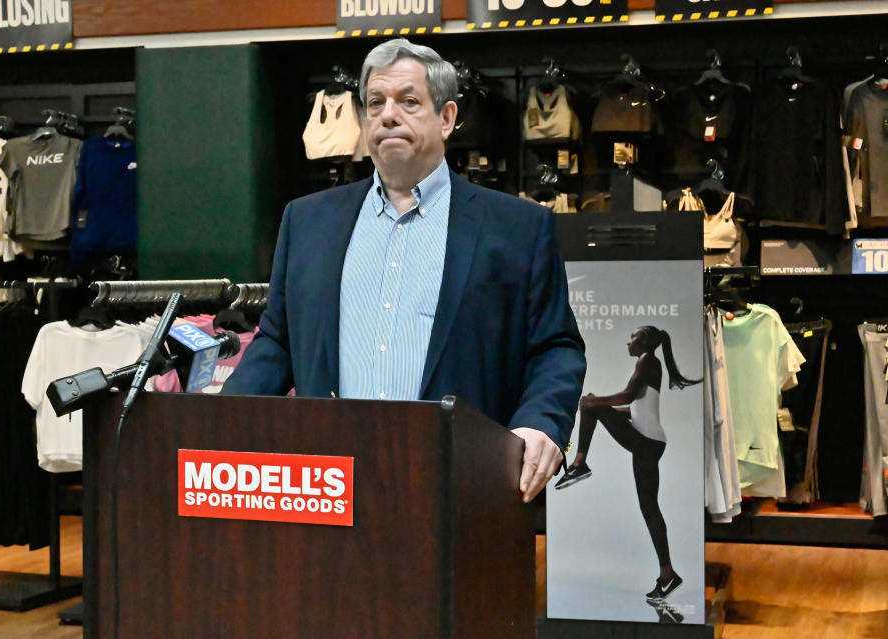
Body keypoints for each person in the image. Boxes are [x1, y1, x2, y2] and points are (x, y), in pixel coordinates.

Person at [222, 38, 586, 502]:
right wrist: (221, 422)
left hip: (462, 485)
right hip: (327, 488)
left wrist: (541, 424)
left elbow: (555, 347)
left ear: (448, 118)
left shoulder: (517, 227)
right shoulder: (308, 221)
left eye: (408, 102)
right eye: (375, 103)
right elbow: (279, 340)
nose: (388, 114)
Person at [556, 325, 700, 600]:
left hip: (646, 442)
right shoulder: (649, 363)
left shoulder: (648, 362)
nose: (627, 343)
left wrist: (596, 402)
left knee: (592, 405)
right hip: (648, 439)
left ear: (642, 341)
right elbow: (634, 406)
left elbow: (627, 396)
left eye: (631, 338)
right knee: (650, 508)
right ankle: (668, 574)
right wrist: (599, 405)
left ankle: (579, 463)